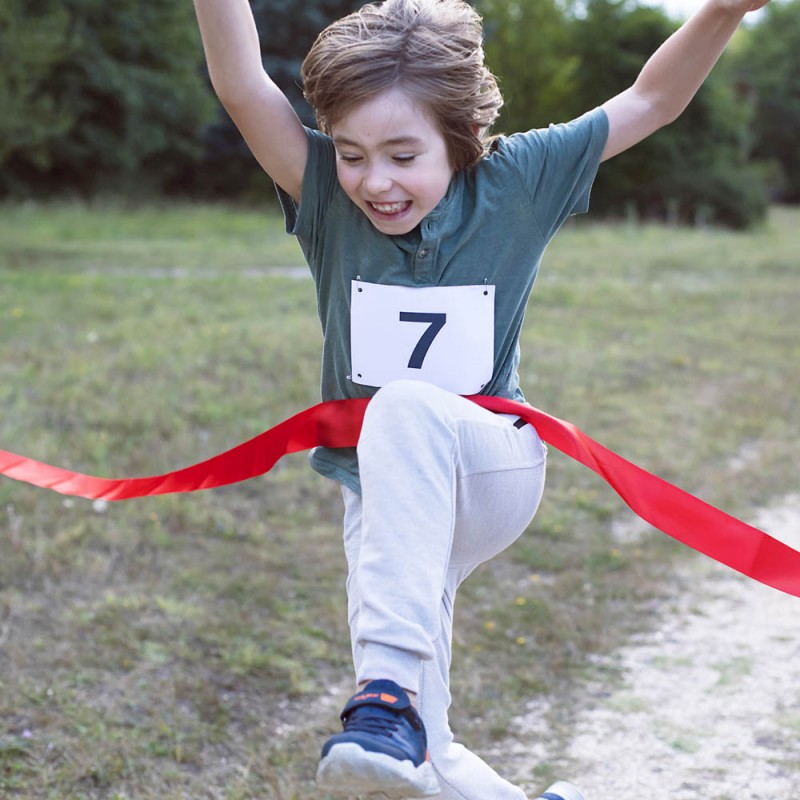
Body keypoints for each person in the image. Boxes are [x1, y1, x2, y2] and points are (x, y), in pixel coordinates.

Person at [191, 0, 769, 797]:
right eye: (353, 155)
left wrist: (724, 11)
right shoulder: (322, 189)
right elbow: (242, 87)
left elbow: (650, 101)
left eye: (403, 155)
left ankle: (384, 697)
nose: (375, 182)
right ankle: (408, 718)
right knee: (404, 759)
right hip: (386, 497)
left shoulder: (521, 179)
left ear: (460, 141)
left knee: (407, 404)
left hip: (493, 468)